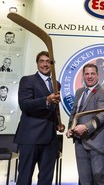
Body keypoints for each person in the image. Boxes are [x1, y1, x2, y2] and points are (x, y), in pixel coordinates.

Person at [14, 51, 63, 185]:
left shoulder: (56, 84)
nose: (45, 64)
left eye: (48, 61)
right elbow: (25, 105)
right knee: (24, 178)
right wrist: (46, 100)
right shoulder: (27, 80)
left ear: (52, 65)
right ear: (37, 64)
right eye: (42, 61)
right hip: (30, 138)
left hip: (50, 139)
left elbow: (54, 106)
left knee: (46, 179)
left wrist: (58, 122)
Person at [66, 63, 104, 185]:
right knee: (84, 179)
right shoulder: (79, 92)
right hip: (79, 142)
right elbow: (74, 113)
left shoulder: (103, 92)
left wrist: (86, 127)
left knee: (99, 179)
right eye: (87, 74)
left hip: (96, 143)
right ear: (83, 76)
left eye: (92, 74)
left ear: (97, 75)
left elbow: (102, 116)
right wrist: (71, 128)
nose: (89, 76)